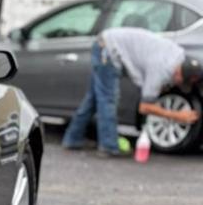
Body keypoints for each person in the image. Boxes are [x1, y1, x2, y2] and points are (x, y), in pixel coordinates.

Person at [62, 26, 203, 156]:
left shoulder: (179, 55)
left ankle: (72, 139)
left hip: (107, 42)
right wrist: (177, 116)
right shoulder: (160, 70)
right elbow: (144, 107)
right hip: (108, 50)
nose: (178, 85)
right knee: (108, 100)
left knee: (92, 99)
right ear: (178, 73)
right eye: (181, 81)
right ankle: (109, 146)